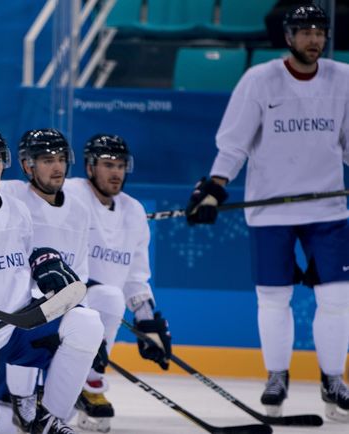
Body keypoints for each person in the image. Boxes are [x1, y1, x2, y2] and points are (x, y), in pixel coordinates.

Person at [186, 3, 349, 422]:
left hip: (328, 208)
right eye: (305, 32)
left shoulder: (343, 79)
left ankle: (333, 379)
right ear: (289, 36)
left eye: (320, 31)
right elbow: (235, 143)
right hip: (270, 212)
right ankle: (277, 375)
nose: (314, 39)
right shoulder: (259, 80)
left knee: (337, 298)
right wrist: (213, 190)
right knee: (273, 299)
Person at [0, 125, 103, 434]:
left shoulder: (17, 210)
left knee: (87, 322)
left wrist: (43, 261)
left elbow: (25, 259)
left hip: (17, 331)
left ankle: (49, 420)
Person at [64, 134, 172, 432]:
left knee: (111, 297)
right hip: (60, 301)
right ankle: (84, 380)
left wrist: (147, 321)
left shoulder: (134, 211)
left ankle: (88, 380)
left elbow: (136, 278)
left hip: (100, 309)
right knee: (109, 297)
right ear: (89, 168)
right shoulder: (70, 195)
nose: (116, 172)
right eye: (108, 164)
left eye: (121, 165)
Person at [0, 128, 98, 431]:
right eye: (47, 160)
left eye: (61, 159)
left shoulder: (79, 211)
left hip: (54, 308)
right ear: (28, 166)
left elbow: (80, 275)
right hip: (11, 307)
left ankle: (50, 417)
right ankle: (21, 396)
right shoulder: (9, 194)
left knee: (90, 321)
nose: (57, 167)